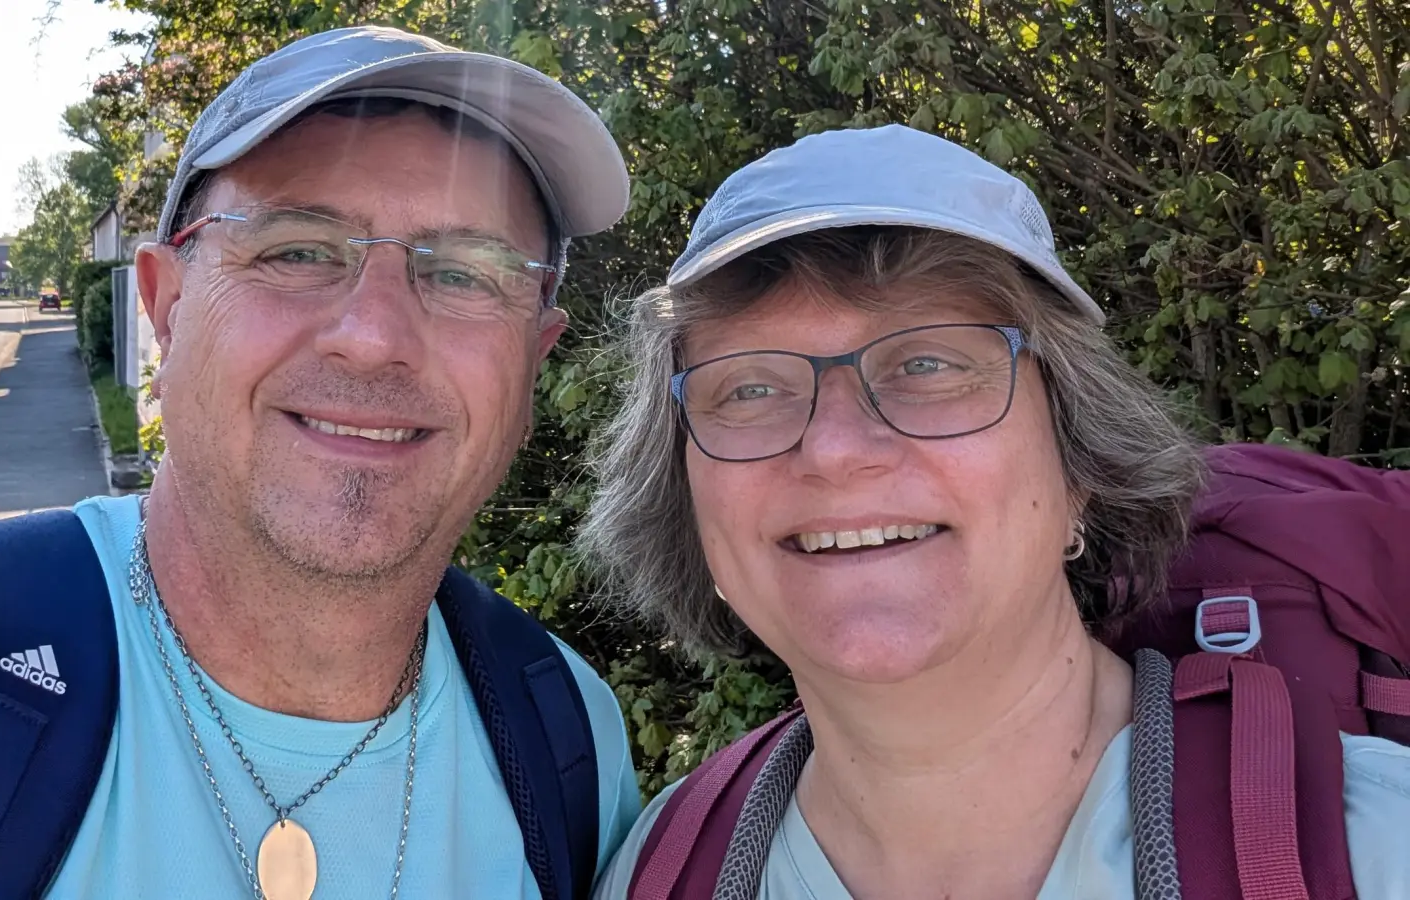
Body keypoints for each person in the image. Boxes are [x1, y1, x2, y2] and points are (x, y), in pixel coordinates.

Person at [0, 26, 640, 899]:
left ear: (533, 357)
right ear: (167, 306)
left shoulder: (569, 743)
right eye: (297, 251)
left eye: (467, 273)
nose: (374, 336)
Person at [580, 125, 1410, 899]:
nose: (833, 450)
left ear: (1079, 467)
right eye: (751, 389)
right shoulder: (662, 872)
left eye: (929, 365)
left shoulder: (1374, 845)